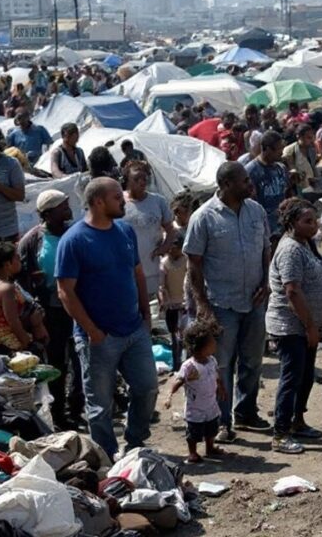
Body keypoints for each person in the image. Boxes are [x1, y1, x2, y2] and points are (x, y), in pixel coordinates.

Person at [56, 177, 159, 459]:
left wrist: (146, 314)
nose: (123, 201)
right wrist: (92, 330)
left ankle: (135, 444)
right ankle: (106, 455)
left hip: (134, 329)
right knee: (100, 404)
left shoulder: (125, 231)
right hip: (99, 337)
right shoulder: (75, 240)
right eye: (117, 197)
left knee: (147, 387)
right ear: (98, 202)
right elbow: (65, 292)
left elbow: (137, 273)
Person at [184, 162, 272, 442]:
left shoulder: (256, 211)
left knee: (253, 361)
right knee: (220, 365)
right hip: (221, 304)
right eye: (245, 181)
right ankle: (221, 421)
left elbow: (265, 249)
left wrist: (266, 283)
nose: (250, 185)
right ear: (226, 185)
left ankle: (246, 412)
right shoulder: (203, 218)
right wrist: (202, 305)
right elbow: (194, 265)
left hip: (254, 301)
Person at [266, 197, 322, 454]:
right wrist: (309, 326)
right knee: (292, 378)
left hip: (307, 326)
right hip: (291, 326)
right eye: (307, 221)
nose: (314, 225)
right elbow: (292, 292)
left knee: (305, 377)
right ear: (292, 223)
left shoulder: (305, 243)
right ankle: (280, 434)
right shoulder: (290, 250)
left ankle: (297, 422)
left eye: (315, 220)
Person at [17, 189, 83, 430]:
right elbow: (19, 277)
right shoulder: (33, 240)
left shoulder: (74, 233)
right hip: (51, 311)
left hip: (77, 306)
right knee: (57, 364)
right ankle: (59, 415)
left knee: (81, 359)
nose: (68, 209)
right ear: (49, 213)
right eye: (63, 206)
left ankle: (76, 408)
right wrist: (33, 282)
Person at [163, 317, 229, 464]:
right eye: (212, 342)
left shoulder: (211, 360)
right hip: (195, 407)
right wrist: (169, 396)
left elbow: (216, 376)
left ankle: (210, 447)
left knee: (212, 428)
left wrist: (222, 388)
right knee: (194, 432)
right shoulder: (189, 366)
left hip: (210, 404)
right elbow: (179, 381)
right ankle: (192, 453)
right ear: (201, 346)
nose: (215, 345)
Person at [0, 237, 49, 354]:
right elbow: (13, 322)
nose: (20, 261)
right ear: (7, 264)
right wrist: (28, 344)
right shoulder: (6, 289)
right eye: (17, 258)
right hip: (14, 345)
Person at [122, 161, 175, 298]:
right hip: (128, 269)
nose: (141, 182)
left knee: (156, 309)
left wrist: (164, 248)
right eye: (136, 179)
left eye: (144, 179)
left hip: (154, 268)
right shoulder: (120, 202)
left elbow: (170, 229)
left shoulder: (158, 201)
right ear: (127, 180)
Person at [245, 131, 291, 235]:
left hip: (282, 225)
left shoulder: (281, 168)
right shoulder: (250, 172)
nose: (281, 153)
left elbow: (287, 193)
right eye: (279, 149)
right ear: (267, 149)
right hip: (262, 229)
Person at [159, 231, 189, 371]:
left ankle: (187, 363)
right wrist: (164, 301)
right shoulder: (164, 263)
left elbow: (190, 281)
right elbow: (162, 286)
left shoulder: (187, 261)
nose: (171, 250)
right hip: (171, 304)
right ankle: (176, 365)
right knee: (173, 334)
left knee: (185, 334)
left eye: (174, 247)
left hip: (185, 304)